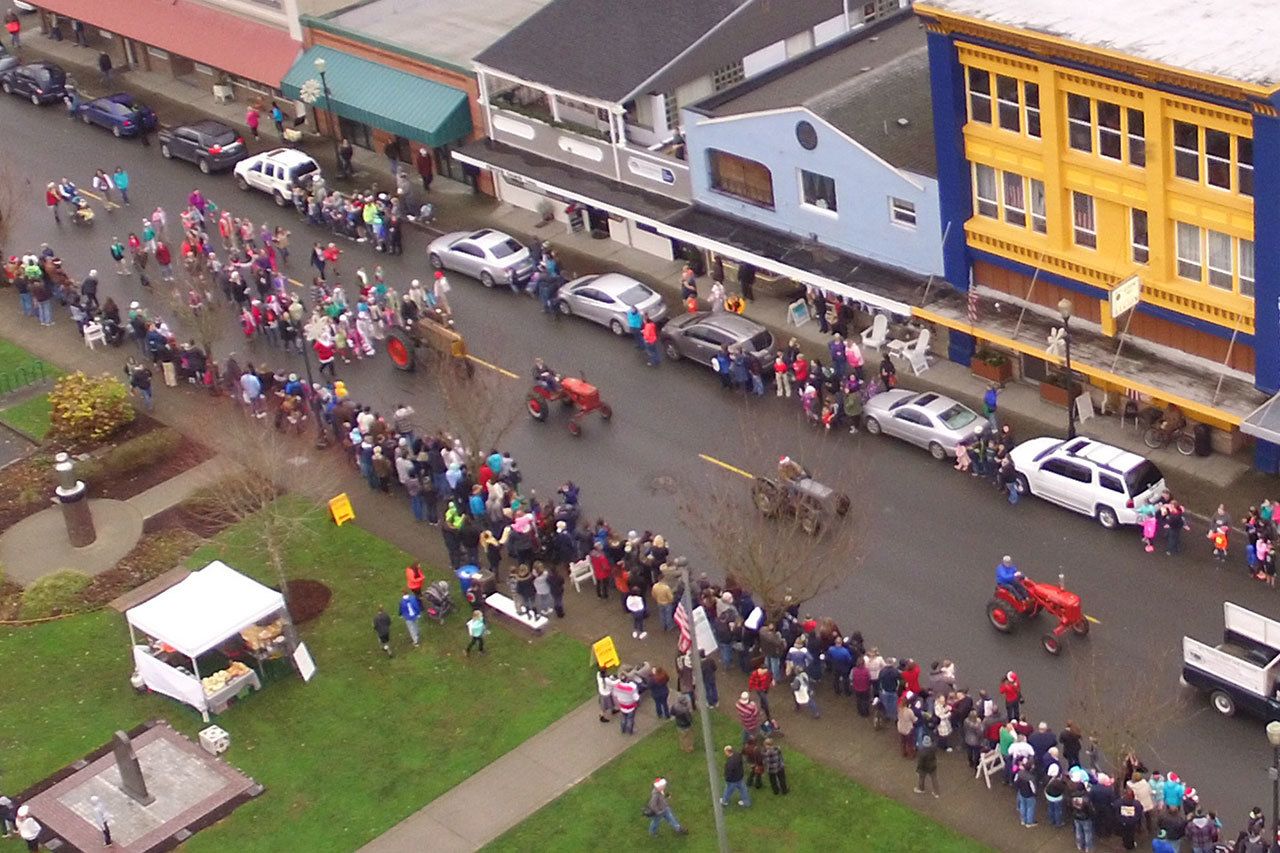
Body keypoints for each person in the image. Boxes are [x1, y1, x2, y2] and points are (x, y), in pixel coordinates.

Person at [915, 724, 940, 798]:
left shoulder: (922, 752)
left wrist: (918, 769)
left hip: (924, 767)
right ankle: (936, 792)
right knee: (934, 779)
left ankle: (921, 789)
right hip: (933, 765)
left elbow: (920, 762)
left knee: (921, 778)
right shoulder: (933, 748)